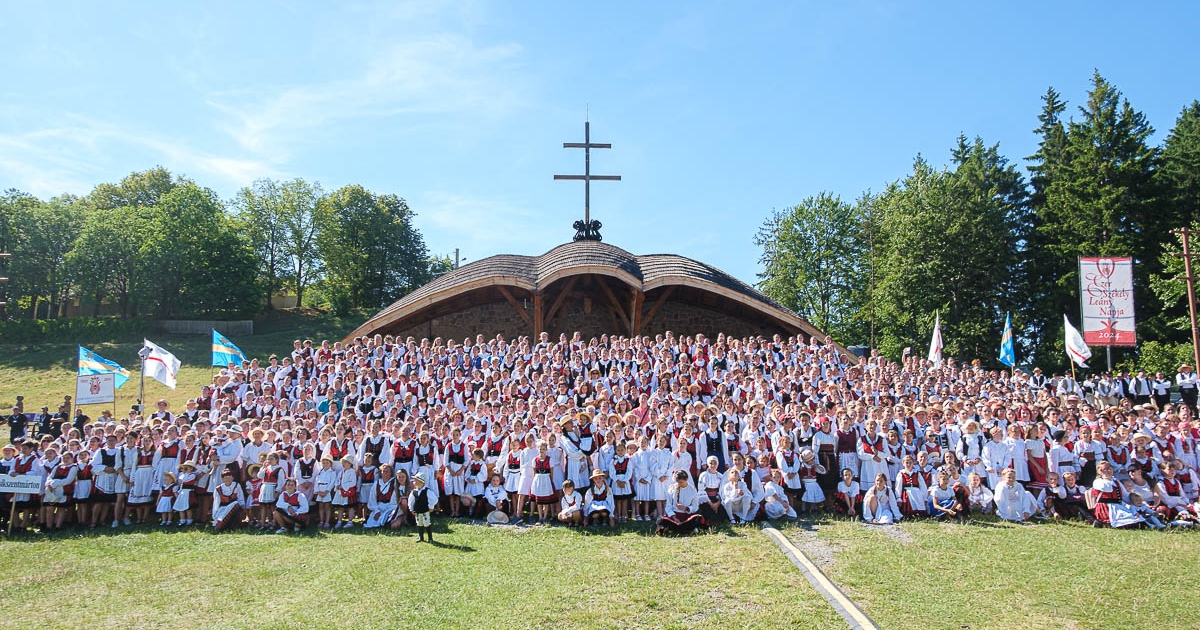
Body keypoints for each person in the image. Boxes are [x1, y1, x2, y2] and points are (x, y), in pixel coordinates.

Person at [655, 470, 710, 535]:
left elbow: (695, 507)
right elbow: (668, 506)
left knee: (699, 517)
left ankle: (675, 529)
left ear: (686, 479)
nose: (679, 484)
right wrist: (674, 517)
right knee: (661, 520)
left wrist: (686, 508)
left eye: (681, 482)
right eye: (678, 482)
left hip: (687, 518)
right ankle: (686, 529)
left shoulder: (692, 490)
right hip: (674, 518)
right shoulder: (672, 489)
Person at [364, 464, 400, 530]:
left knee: (389, 516)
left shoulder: (394, 482)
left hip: (390, 506)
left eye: (387, 471)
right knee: (372, 522)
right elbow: (372, 498)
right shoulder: (377, 483)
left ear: (391, 473)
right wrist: (376, 511)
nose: (385, 473)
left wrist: (389, 509)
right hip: (379, 506)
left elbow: (394, 499)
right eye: (383, 471)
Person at [409, 471, 438, 543]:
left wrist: (430, 507)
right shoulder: (414, 492)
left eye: (416, 481)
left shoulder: (427, 491)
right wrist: (411, 508)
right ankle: (421, 537)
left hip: (425, 510)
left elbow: (435, 499)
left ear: (421, 482)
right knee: (419, 523)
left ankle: (430, 538)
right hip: (417, 511)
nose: (414, 482)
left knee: (427, 523)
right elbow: (411, 501)